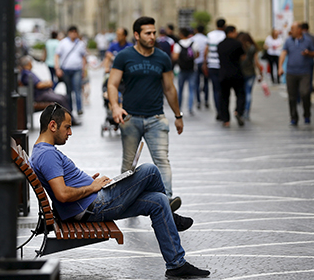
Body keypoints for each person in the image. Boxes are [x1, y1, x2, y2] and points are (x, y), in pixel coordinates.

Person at [30, 104, 210, 278]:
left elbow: (62, 186)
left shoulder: (42, 151)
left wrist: (87, 183)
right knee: (149, 170)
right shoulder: (47, 155)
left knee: (158, 201)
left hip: (90, 203)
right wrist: (91, 187)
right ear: (52, 125)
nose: (70, 132)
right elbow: (62, 194)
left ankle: (176, 265)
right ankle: (173, 218)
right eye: (67, 127)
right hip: (94, 205)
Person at [107, 16, 183, 209]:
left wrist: (178, 115)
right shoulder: (124, 56)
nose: (152, 36)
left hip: (156, 118)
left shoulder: (162, 57)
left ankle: (167, 200)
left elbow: (169, 88)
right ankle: (123, 203)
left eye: (154, 32)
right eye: (147, 33)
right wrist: (115, 106)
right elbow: (113, 83)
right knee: (128, 165)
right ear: (136, 35)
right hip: (130, 118)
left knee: (162, 160)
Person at [278, 22, 314, 125]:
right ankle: (294, 117)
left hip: (305, 72)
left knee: (305, 93)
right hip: (291, 72)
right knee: (292, 96)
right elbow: (283, 53)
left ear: (299, 30)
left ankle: (307, 114)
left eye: (293, 29)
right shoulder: (288, 41)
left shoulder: (308, 40)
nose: (291, 31)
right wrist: (280, 67)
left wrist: (309, 53)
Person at [55, 26, 87, 115]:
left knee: (77, 89)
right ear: (69, 33)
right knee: (68, 90)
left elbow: (84, 57)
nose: (74, 34)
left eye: (75, 32)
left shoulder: (80, 44)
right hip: (66, 70)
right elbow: (57, 55)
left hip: (77, 69)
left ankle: (79, 108)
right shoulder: (63, 43)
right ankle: (69, 109)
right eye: (72, 32)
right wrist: (57, 68)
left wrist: (83, 70)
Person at [217, 26, 246, 127]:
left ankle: (226, 120)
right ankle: (238, 111)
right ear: (231, 32)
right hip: (236, 73)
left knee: (224, 97)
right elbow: (243, 56)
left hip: (223, 74)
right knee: (240, 94)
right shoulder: (237, 44)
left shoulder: (220, 45)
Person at [172, 28, 199, 115]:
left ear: (181, 34)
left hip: (181, 69)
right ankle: (190, 108)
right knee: (191, 89)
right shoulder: (193, 43)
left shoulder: (178, 45)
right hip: (192, 69)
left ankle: (179, 107)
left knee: (180, 89)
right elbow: (197, 55)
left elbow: (175, 57)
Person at [204, 18, 226, 120]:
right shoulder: (225, 35)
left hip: (212, 65)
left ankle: (218, 110)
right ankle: (223, 110)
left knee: (215, 90)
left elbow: (206, 50)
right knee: (224, 90)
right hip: (223, 66)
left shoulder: (210, 35)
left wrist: (205, 63)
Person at [237, 32, 263, 120]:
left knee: (241, 93)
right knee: (248, 92)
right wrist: (260, 73)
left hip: (240, 73)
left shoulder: (239, 47)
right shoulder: (252, 48)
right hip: (251, 73)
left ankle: (240, 110)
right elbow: (257, 62)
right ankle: (247, 112)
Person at [192, 25, 209, 109]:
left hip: (196, 63)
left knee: (197, 83)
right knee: (206, 82)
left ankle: (198, 101)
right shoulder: (206, 39)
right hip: (205, 63)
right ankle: (206, 100)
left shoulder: (193, 39)